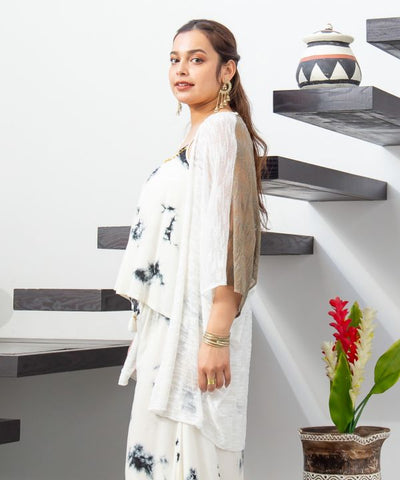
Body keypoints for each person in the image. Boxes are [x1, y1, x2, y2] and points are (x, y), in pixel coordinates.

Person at [114, 18, 268, 480]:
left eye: (197, 59)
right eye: (174, 59)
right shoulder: (197, 136)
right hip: (173, 329)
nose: (181, 69)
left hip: (201, 327)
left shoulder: (222, 129)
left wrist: (216, 335)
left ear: (227, 71)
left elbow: (233, 238)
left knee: (192, 457)